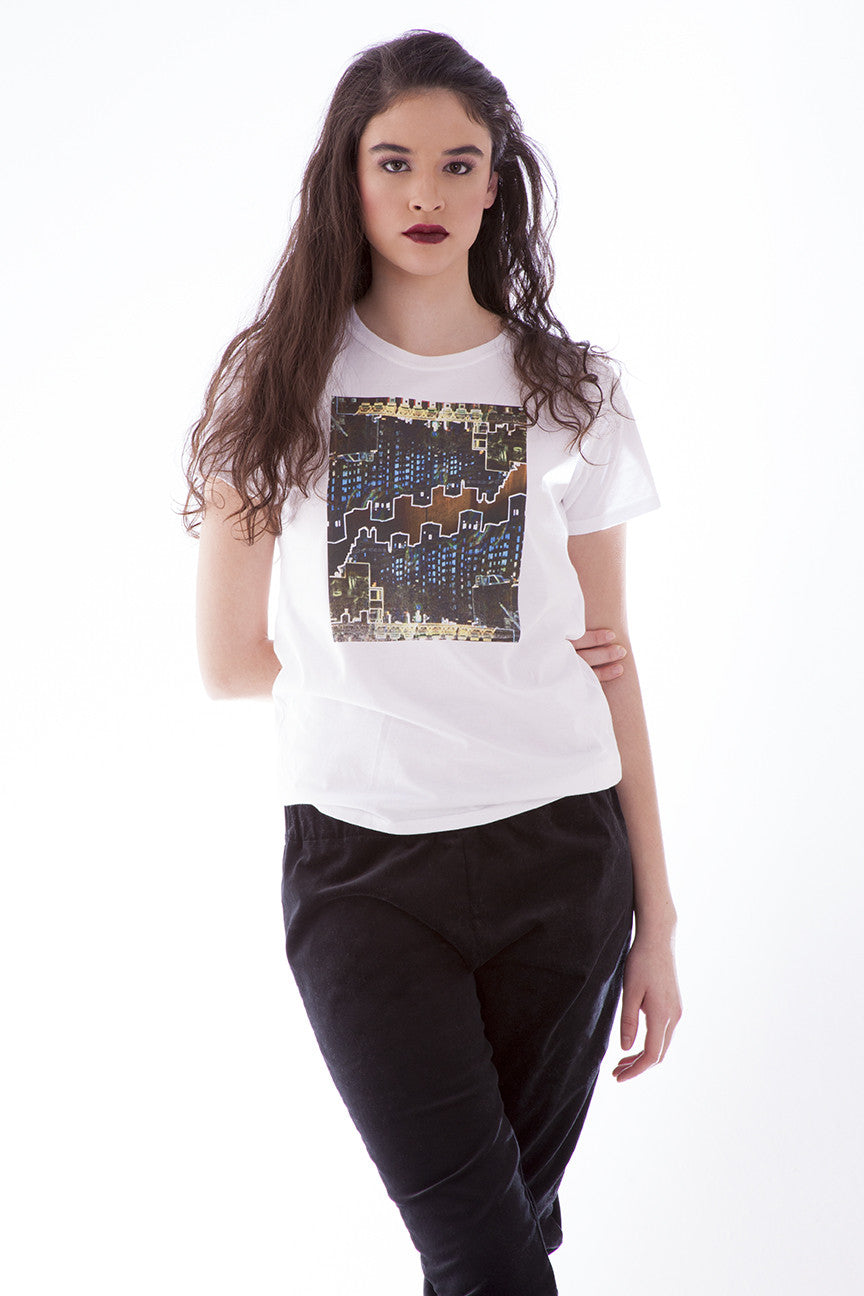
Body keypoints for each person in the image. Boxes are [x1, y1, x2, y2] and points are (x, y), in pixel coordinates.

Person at [184, 28, 681, 1296]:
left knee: (501, 1239)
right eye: (393, 161)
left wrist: (660, 920)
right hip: (364, 869)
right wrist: (398, 678)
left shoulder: (571, 391)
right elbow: (230, 660)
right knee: (478, 1246)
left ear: (496, 184)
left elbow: (611, 661)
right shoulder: (280, 385)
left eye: (459, 164)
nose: (427, 192)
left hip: (562, 858)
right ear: (346, 179)